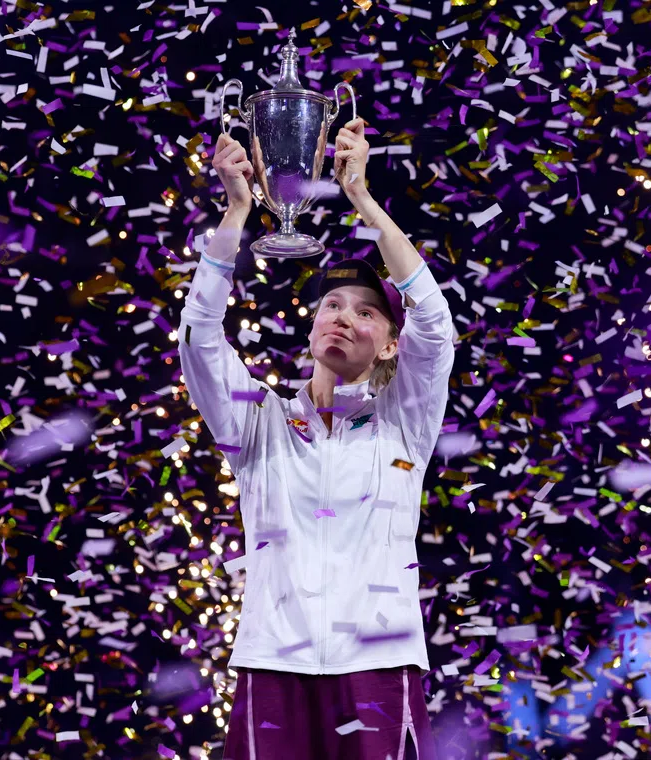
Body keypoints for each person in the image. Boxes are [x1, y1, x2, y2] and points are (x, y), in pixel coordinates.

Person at [178, 116, 455, 760]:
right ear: (312, 325)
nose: (344, 318)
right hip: (274, 663)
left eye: (366, 312)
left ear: (390, 343)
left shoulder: (403, 422)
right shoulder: (258, 420)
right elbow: (200, 334)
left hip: (379, 669)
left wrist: (362, 199)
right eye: (332, 305)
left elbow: (435, 326)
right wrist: (238, 213)